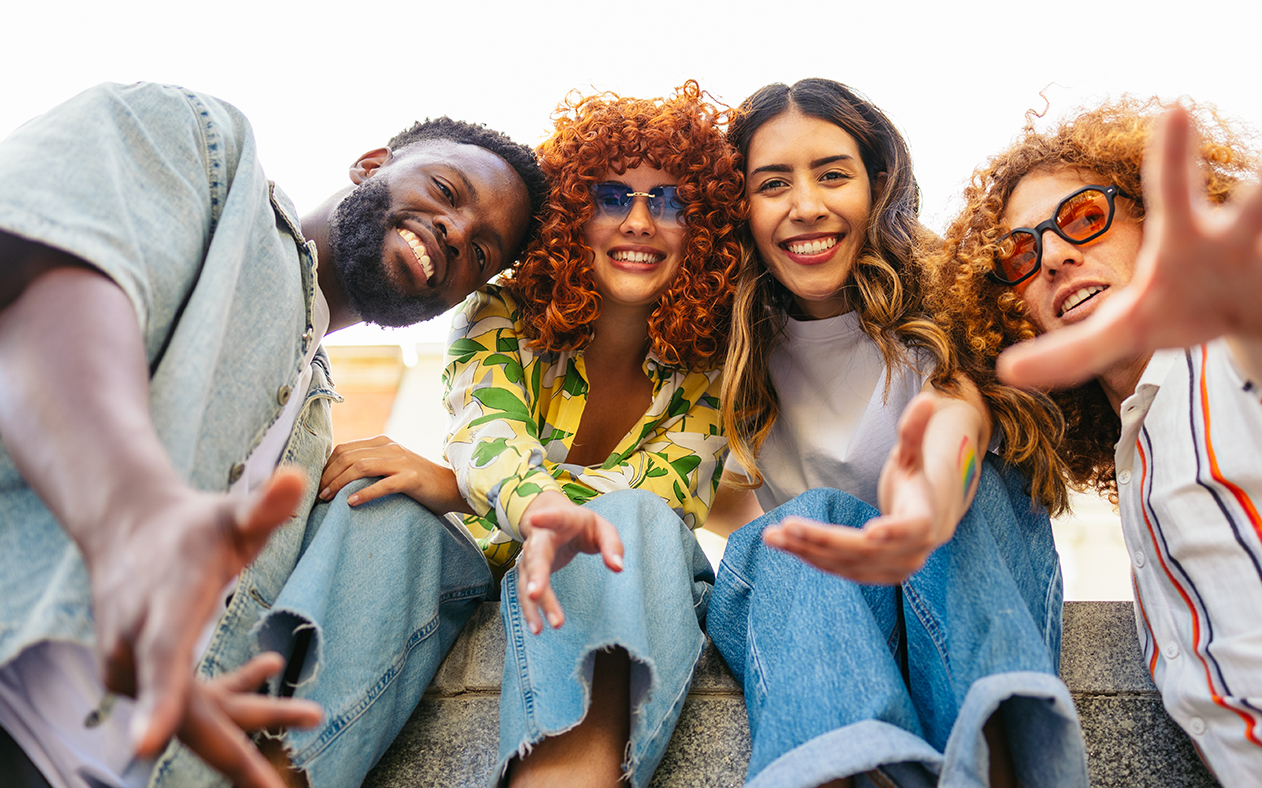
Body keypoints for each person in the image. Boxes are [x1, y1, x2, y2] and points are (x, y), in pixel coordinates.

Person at [0, 81, 546, 788]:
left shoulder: (313, 436)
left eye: (482, 255)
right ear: (371, 163)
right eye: (446, 190)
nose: (457, 233)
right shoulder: (209, 150)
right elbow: (44, 280)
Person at [941, 96, 1262, 786]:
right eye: (1019, 253)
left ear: (1155, 219)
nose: (1054, 256)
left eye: (1084, 218)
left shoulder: (1253, 330)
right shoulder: (1142, 460)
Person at [316, 81, 745, 787]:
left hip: (621, 593)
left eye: (669, 202)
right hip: (472, 574)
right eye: (613, 197)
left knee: (632, 521)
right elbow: (490, 433)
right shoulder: (501, 312)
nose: (640, 221)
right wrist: (483, 488)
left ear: (704, 230)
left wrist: (456, 487)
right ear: (572, 214)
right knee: (384, 511)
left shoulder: (712, 367)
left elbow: (661, 497)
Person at [702, 78, 1087, 788]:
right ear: (741, 208)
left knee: (981, 487)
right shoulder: (725, 349)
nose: (806, 206)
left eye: (832, 175)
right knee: (798, 526)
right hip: (829, 624)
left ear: (876, 186)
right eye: (773, 184)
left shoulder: (943, 303)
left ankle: (992, 767)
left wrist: (928, 504)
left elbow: (956, 414)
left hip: (961, 590)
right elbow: (688, 488)